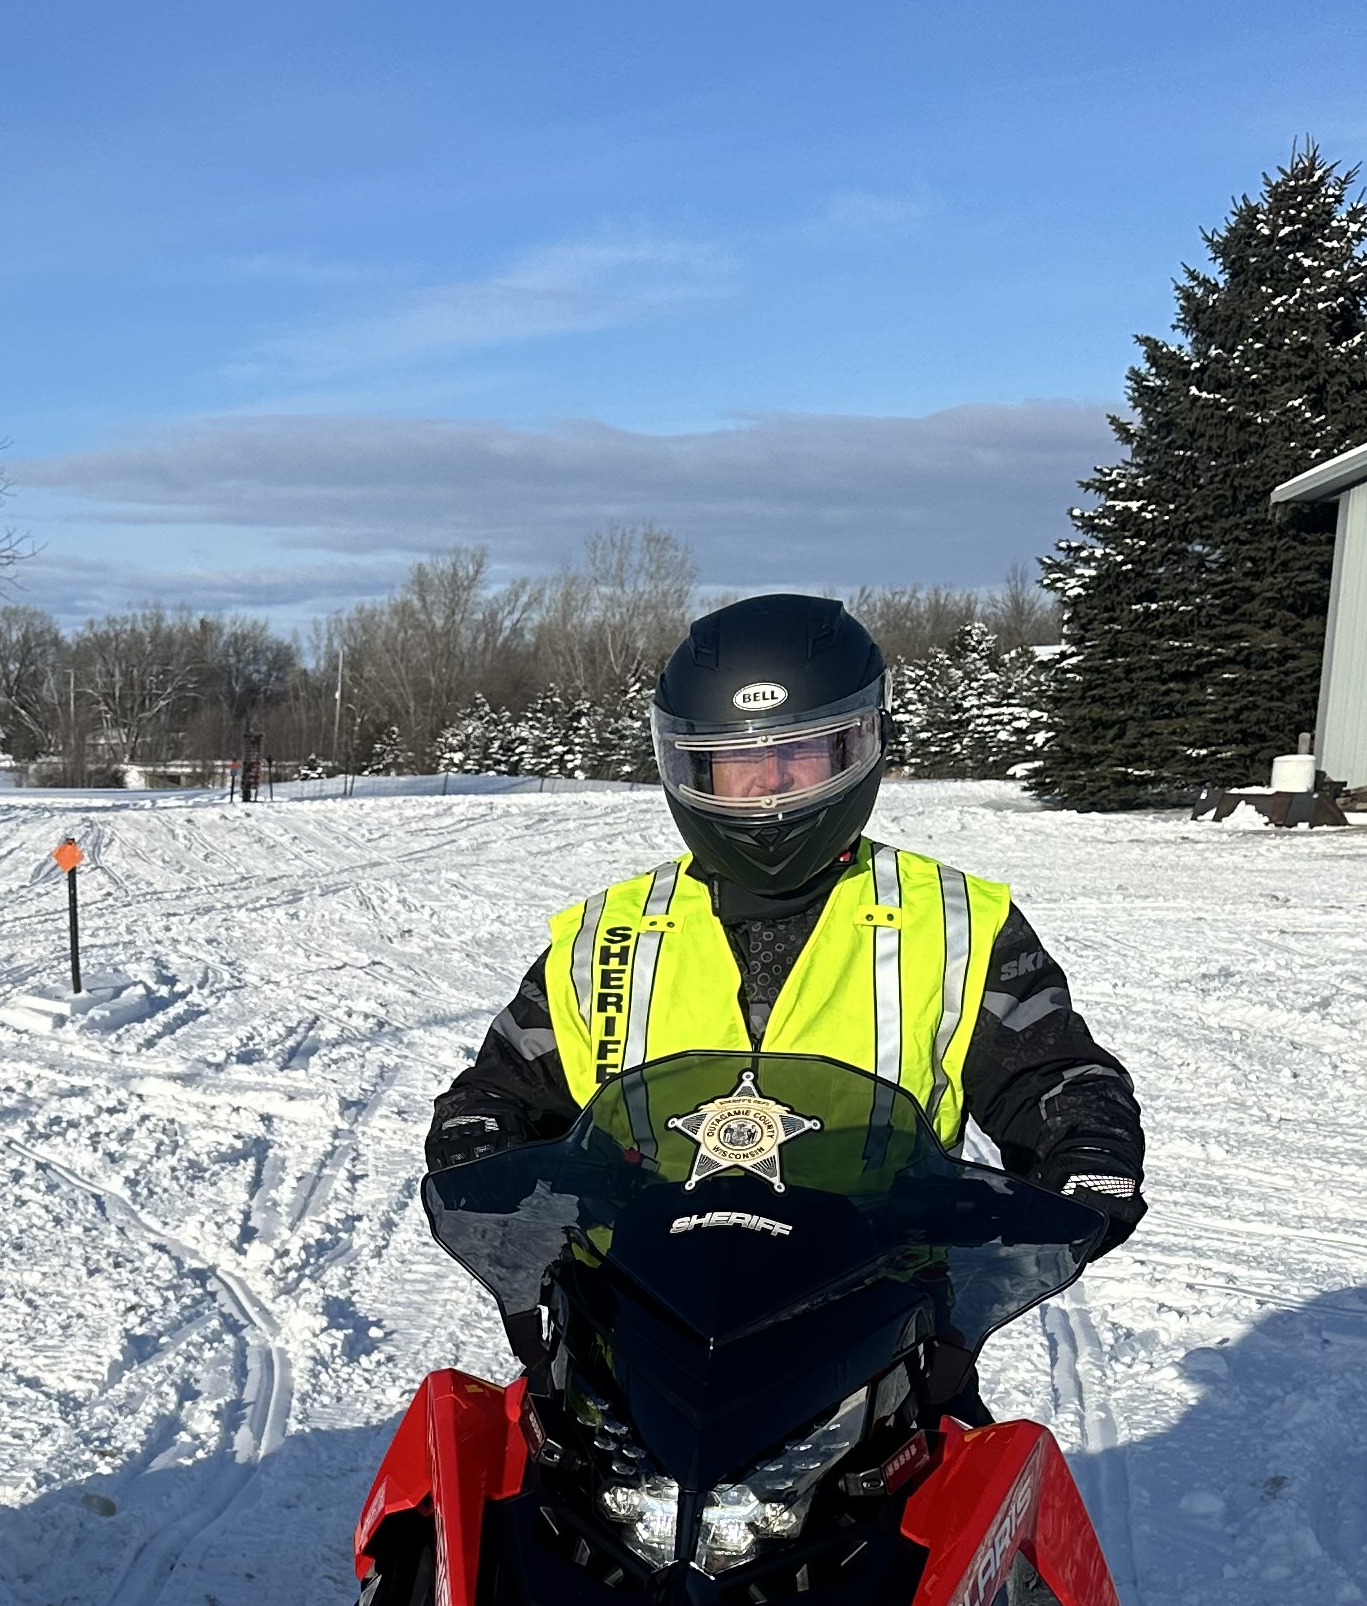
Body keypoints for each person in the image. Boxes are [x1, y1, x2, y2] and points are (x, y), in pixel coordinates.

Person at [429, 594, 1145, 1401]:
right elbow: (505, 1086)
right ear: (691, 768)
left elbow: (1050, 1070)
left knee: (982, 1476)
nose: (769, 783)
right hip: (630, 1327)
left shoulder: (953, 923)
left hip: (874, 1330)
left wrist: (1091, 1149)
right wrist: (476, 1142)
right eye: (737, 759)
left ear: (860, 747)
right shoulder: (612, 933)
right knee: (484, 1466)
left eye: (802, 753)